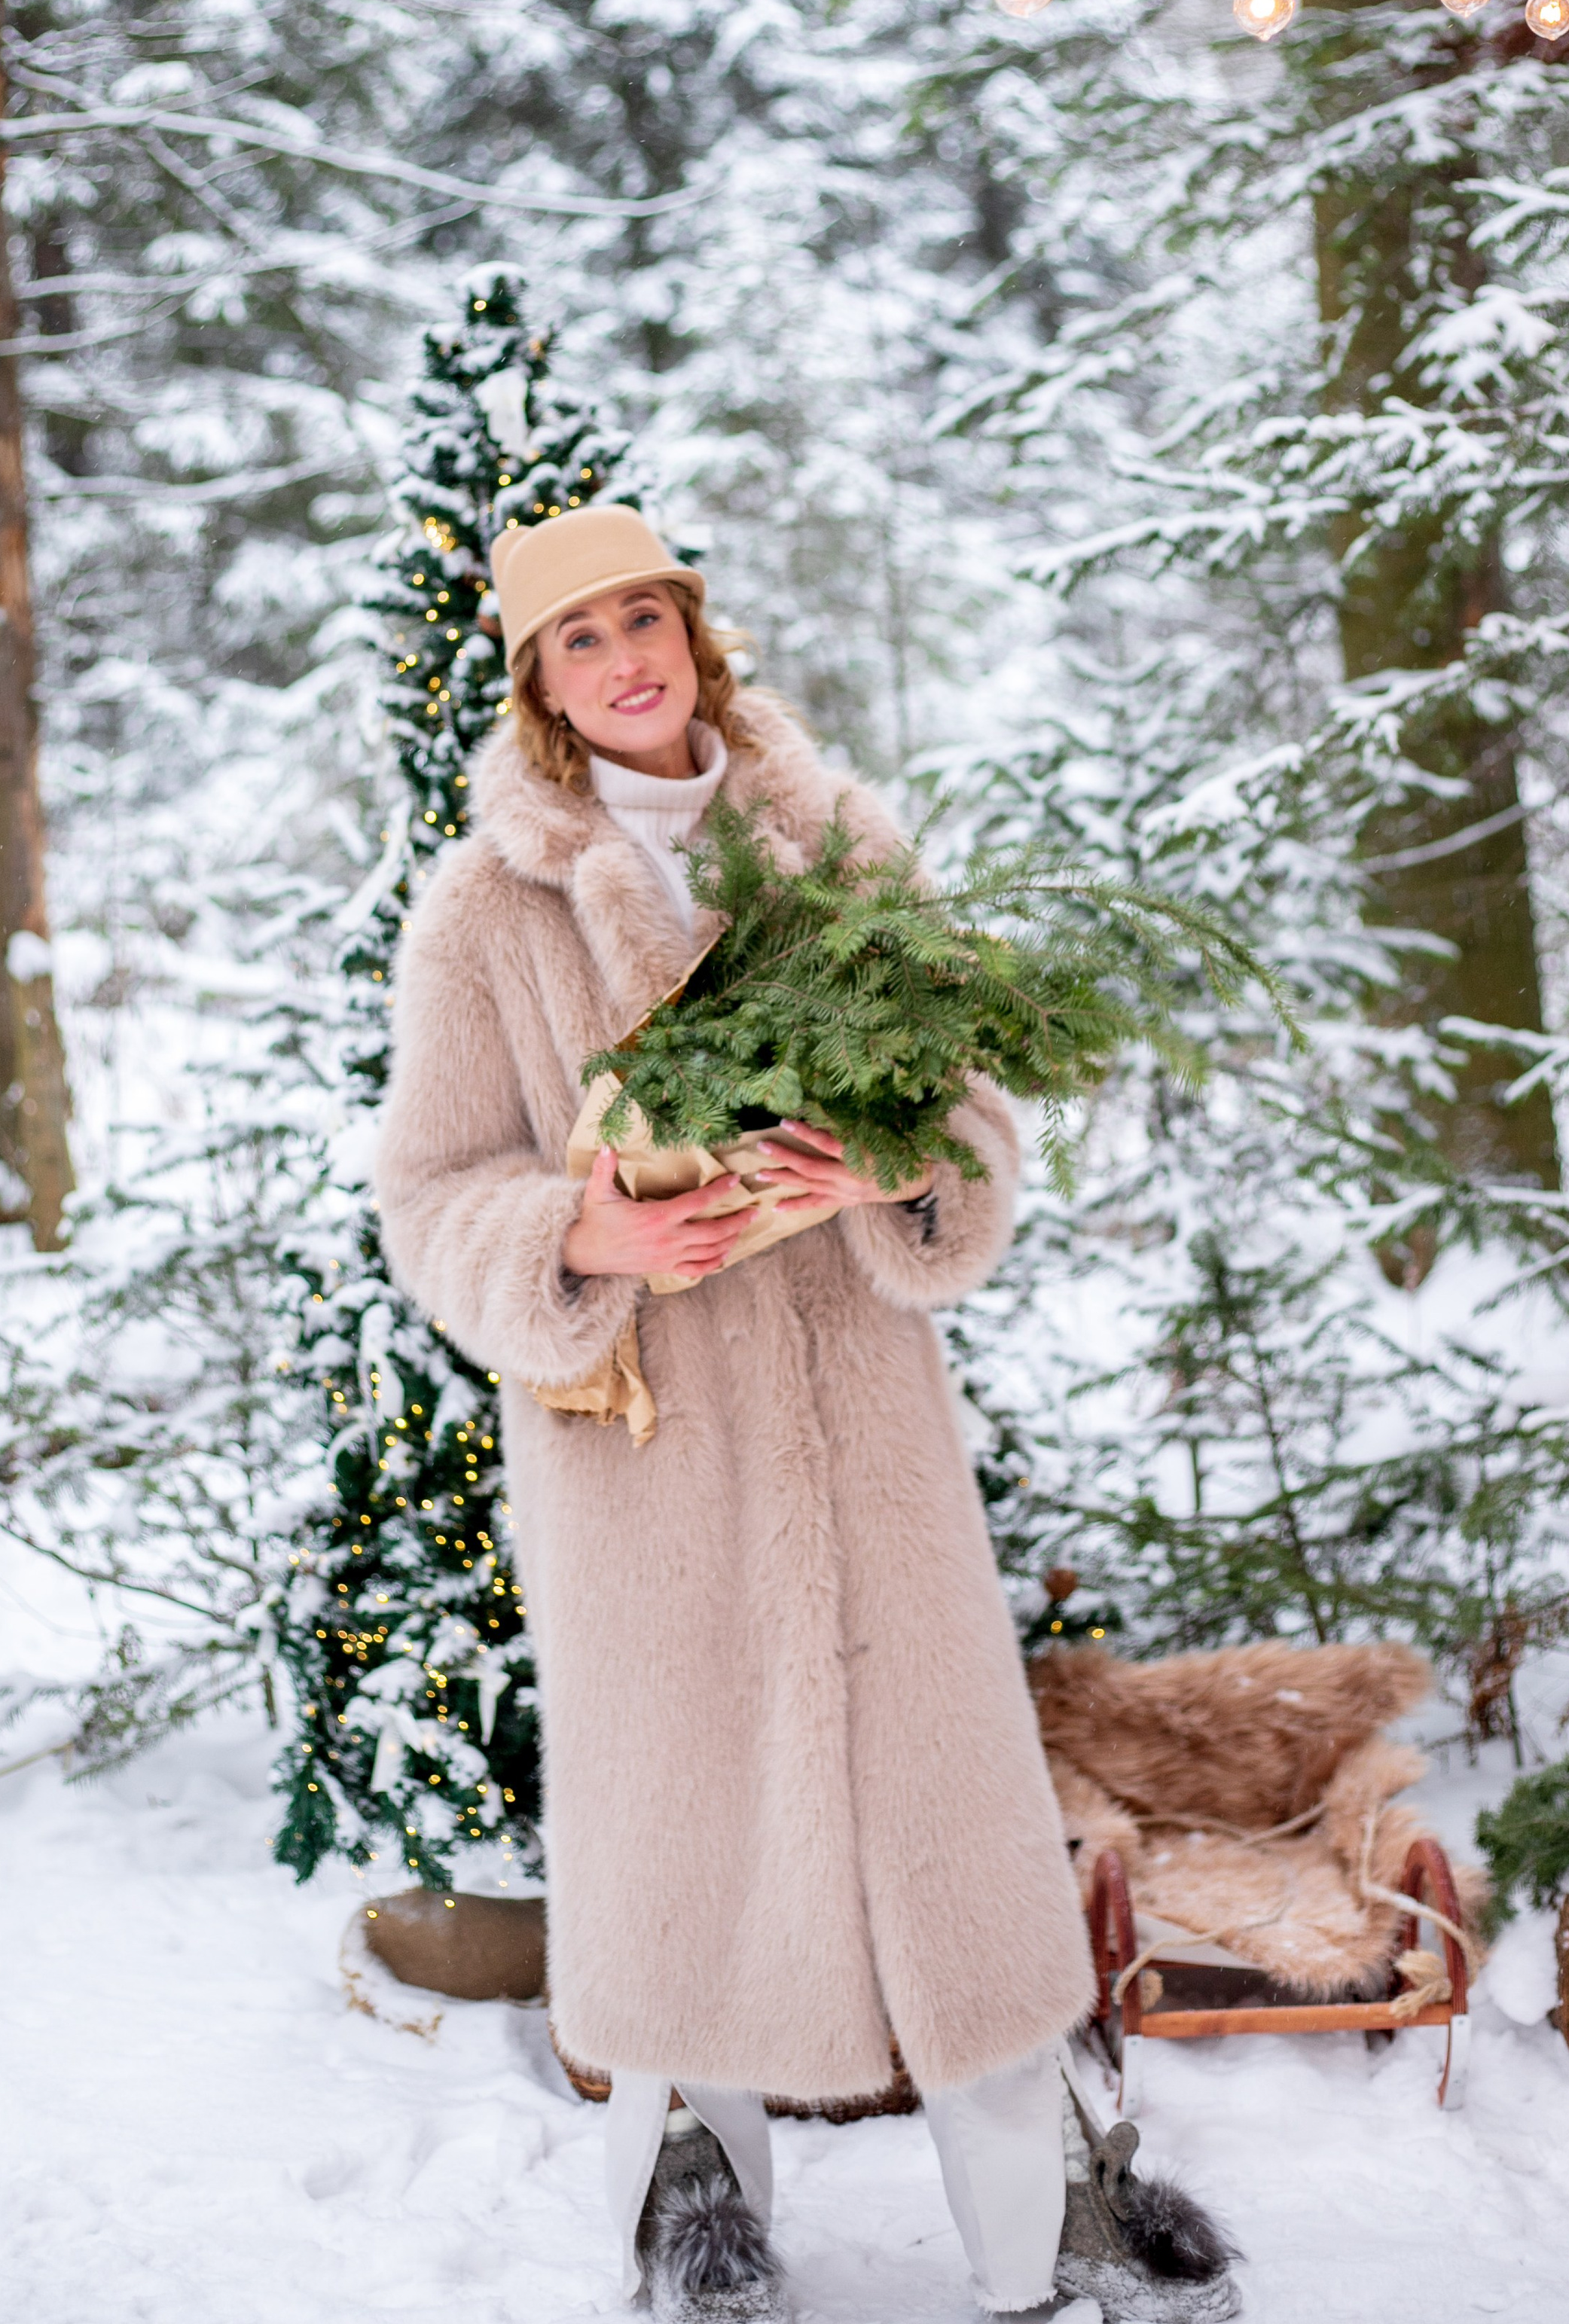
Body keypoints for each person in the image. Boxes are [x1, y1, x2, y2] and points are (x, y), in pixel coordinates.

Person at [374, 505, 1236, 2322]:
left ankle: (1056, 2210)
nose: (623, 660)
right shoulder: (484, 911)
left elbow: (974, 1107)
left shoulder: (833, 840)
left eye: (645, 619)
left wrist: (898, 1154)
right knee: (680, 1839)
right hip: (646, 1453)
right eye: (579, 639)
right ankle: (690, 2214)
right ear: (536, 680)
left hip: (865, 1427)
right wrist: (577, 1227)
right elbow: (431, 1197)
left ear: (692, 633)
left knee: (949, 1836)